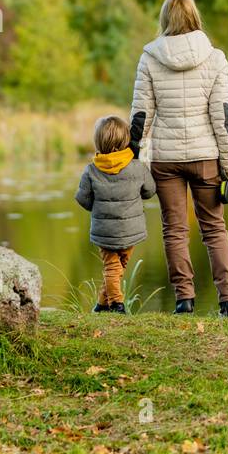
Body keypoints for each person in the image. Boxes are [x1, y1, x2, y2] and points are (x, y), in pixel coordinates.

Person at [130, 0, 228, 317]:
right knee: (215, 229)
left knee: (174, 230)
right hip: (207, 157)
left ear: (165, 19)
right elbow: (222, 116)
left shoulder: (149, 58)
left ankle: (184, 300)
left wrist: (133, 160)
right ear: (195, 17)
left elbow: (140, 117)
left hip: (166, 159)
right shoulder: (215, 57)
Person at [75, 115, 155, 314]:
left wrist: (100, 208)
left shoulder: (91, 170)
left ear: (98, 142)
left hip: (104, 232)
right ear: (125, 141)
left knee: (113, 267)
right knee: (117, 267)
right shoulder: (137, 167)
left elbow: (82, 199)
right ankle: (117, 305)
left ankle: (102, 304)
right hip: (131, 231)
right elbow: (149, 191)